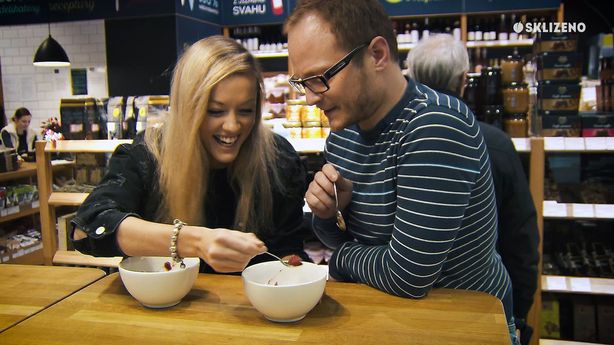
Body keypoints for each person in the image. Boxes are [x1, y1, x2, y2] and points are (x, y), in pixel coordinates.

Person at [285, 0, 517, 343]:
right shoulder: (342, 131)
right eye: (302, 82)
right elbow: (342, 236)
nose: (310, 99)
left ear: (377, 54)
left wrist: (339, 261)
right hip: (388, 320)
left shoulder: (436, 124)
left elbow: (407, 276)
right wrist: (328, 214)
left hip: (462, 326)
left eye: (320, 78)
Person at [71, 36, 310, 273]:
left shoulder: (278, 159)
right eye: (216, 111)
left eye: (246, 110)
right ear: (187, 108)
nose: (233, 126)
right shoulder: (148, 154)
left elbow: (288, 251)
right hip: (162, 304)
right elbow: (87, 228)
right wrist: (194, 242)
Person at [406, 33, 539, 345]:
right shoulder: (495, 145)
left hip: (407, 312)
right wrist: (515, 314)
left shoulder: (397, 144)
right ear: (463, 80)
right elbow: (520, 240)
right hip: (479, 310)